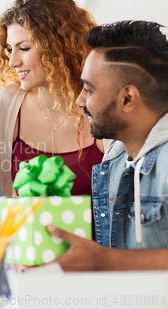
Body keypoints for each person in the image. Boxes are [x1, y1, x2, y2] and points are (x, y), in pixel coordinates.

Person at [0, 0, 104, 197]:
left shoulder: (104, 103)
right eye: (10, 49)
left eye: (24, 48)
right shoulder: (5, 104)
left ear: (59, 48)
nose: (12, 62)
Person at [49, 20, 168, 270]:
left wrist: (105, 261)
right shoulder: (115, 161)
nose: (80, 102)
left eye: (89, 90)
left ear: (127, 98)